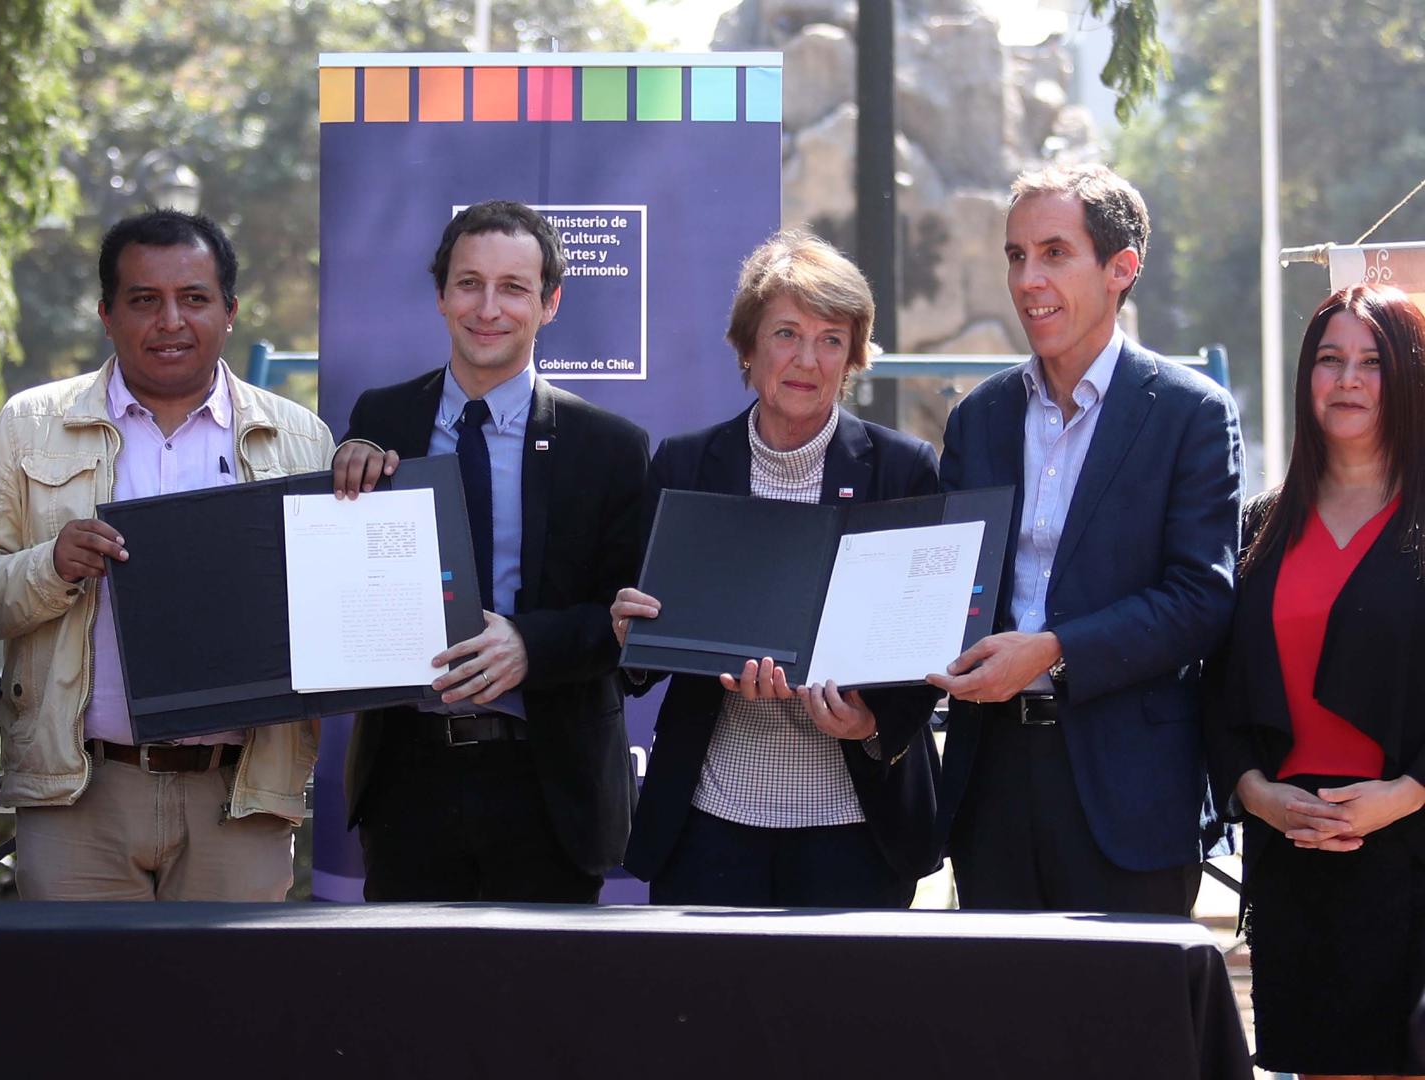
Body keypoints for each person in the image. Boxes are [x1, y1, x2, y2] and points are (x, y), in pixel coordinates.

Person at [0, 208, 331, 901]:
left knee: (227, 1007)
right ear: (107, 314)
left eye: (193, 299)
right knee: (84, 1008)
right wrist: (52, 566)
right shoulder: (30, 425)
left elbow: (327, 612)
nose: (170, 321)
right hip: (80, 795)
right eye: (144, 301)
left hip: (241, 797)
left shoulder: (299, 438)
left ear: (230, 311)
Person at [929, 163, 1244, 915]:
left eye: (1054, 253)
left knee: (1123, 1030)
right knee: (996, 1027)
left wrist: (1056, 651)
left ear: (1121, 268)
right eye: (1015, 255)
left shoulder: (1190, 415)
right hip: (992, 787)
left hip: (1129, 796)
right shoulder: (978, 419)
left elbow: (1202, 597)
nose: (1029, 278)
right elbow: (944, 590)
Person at [609, 230, 942, 907]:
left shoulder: (903, 471)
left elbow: (926, 648)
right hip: (709, 820)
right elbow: (640, 660)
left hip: (856, 826)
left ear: (853, 356)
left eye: (831, 339)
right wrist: (628, 633)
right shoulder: (684, 466)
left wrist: (869, 724)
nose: (807, 359)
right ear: (748, 344)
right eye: (787, 333)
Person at [332, 199, 649, 902]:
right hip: (407, 781)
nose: (488, 307)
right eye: (470, 283)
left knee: (545, 1008)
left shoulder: (611, 449)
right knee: (411, 1004)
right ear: (442, 294)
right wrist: (342, 469)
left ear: (550, 303)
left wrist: (531, 644)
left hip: (549, 785)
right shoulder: (379, 421)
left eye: (514, 287)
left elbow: (631, 627)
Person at [1206, 285, 1425, 1079]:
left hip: (1409, 845)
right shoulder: (1260, 527)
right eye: (1329, 360)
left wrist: (1405, 793)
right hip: (1293, 858)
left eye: (1373, 362)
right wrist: (1257, 794)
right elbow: (1221, 691)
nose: (1348, 380)